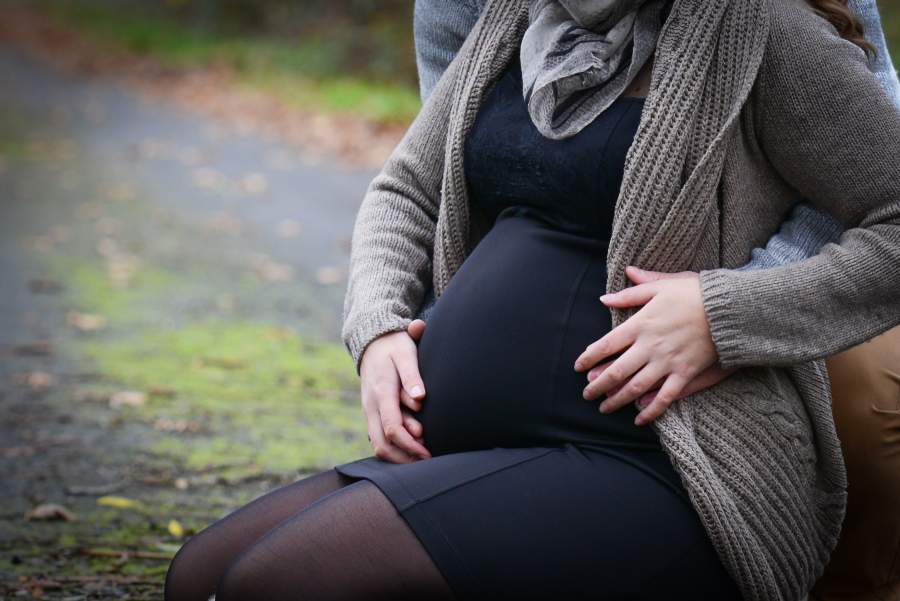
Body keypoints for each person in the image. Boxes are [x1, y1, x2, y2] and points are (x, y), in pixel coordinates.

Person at [163, 1, 900, 600]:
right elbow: (405, 190)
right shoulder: (517, 19)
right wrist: (380, 327)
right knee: (197, 576)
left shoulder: (760, 31)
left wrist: (724, 314)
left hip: (661, 463)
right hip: (489, 449)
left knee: (278, 582)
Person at [412, 2, 900, 600]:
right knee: (270, 550)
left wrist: (731, 312)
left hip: (670, 423)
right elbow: (430, 183)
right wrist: (395, 334)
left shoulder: (769, 27)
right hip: (502, 439)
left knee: (868, 415)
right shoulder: (504, 17)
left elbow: (874, 159)